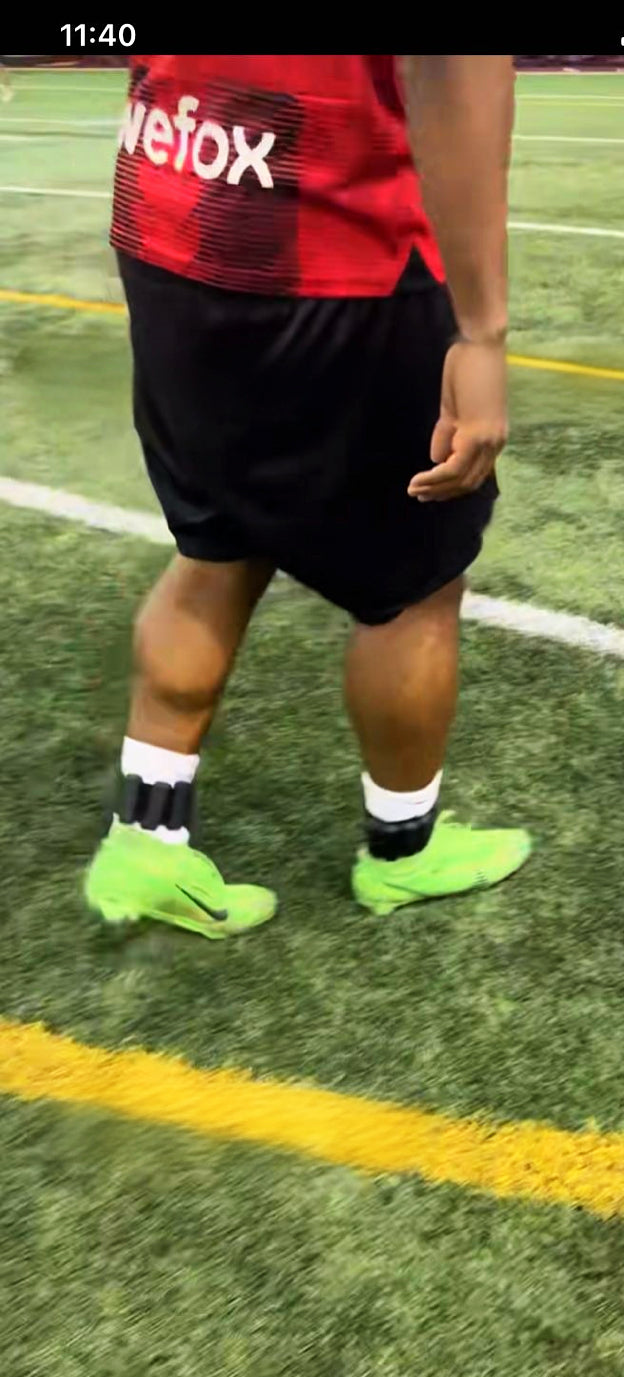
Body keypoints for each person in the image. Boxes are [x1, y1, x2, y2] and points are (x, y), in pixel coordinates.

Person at [85, 54, 531, 938]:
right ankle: (404, 850)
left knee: (218, 541)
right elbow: (453, 69)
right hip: (337, 243)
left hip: (172, 198)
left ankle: (145, 843)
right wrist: (480, 332)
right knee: (416, 580)